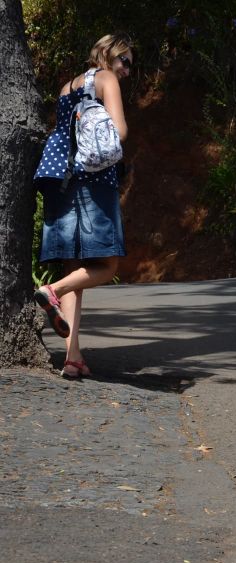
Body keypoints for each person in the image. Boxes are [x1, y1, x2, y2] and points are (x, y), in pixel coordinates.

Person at [33, 34, 134, 379]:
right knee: (107, 263)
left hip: (63, 183)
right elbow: (119, 131)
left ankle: (73, 357)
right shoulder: (105, 78)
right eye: (126, 61)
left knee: (74, 268)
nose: (127, 70)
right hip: (95, 183)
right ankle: (52, 292)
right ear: (108, 56)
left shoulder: (66, 88)